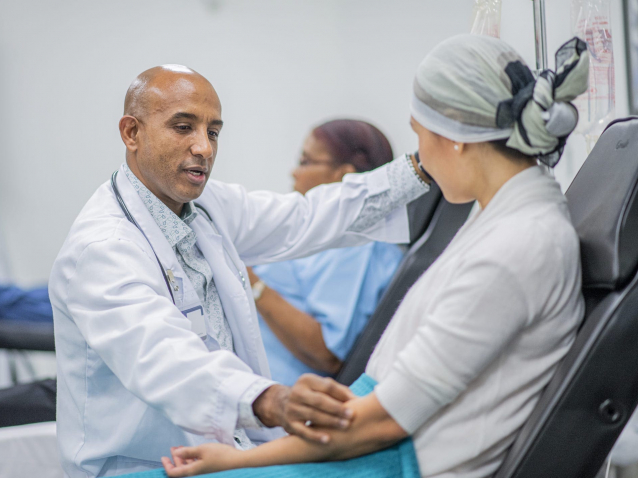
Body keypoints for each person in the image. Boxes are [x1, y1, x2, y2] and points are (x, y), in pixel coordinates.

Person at [161, 35, 589, 478]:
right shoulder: (502, 217)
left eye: (419, 135)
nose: (419, 159)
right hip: (361, 435)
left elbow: (383, 421)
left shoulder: (516, 247)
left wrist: (239, 459)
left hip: (384, 459)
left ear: (455, 139)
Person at [49, 65, 430, 477]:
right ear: (131, 133)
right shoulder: (103, 248)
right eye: (183, 127)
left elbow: (305, 216)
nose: (204, 148)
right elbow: (165, 357)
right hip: (142, 467)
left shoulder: (208, 207)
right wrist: (267, 399)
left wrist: (420, 167)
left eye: (213, 132)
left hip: (226, 449)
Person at [250, 119, 403, 385]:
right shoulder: (316, 234)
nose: (294, 172)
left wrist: (248, 281)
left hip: (277, 401)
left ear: (344, 175)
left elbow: (327, 351)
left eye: (306, 162)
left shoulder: (357, 243)